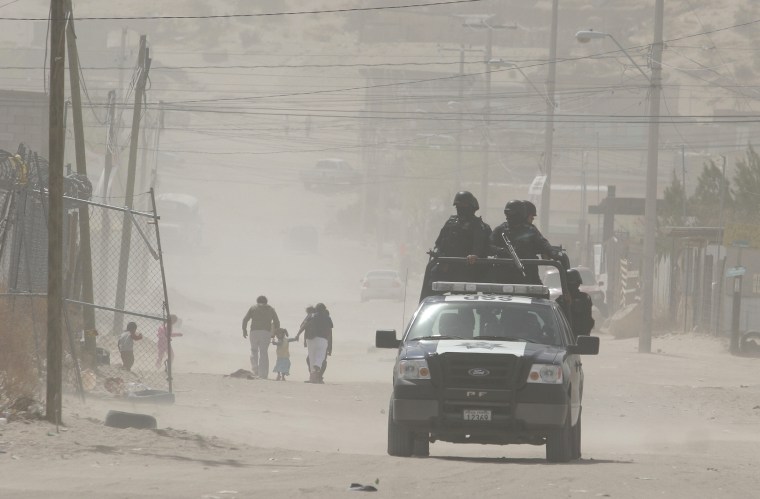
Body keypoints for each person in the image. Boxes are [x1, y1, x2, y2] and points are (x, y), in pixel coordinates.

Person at [420, 191, 492, 301]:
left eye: (463, 205)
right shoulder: (451, 222)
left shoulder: (479, 226)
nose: (460, 208)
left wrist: (474, 256)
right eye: (458, 206)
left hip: (466, 270)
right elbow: (440, 242)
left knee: (464, 301)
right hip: (446, 267)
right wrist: (439, 255)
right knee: (431, 288)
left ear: (472, 206)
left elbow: (481, 248)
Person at [490, 200, 557, 285]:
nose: (508, 217)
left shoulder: (530, 230)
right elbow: (489, 246)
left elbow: (543, 244)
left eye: (512, 214)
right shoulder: (501, 230)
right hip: (504, 277)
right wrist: (502, 251)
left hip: (527, 276)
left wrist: (553, 252)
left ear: (519, 214)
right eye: (507, 214)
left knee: (543, 294)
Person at [242, 295, 280, 379]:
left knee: (253, 350)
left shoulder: (253, 308)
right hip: (266, 333)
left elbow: (245, 319)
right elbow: (277, 322)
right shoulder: (271, 309)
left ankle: (255, 371)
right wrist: (275, 333)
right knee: (263, 353)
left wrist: (244, 330)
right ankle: (263, 375)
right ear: (266, 302)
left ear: (257, 301)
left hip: (254, 332)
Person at [556, 269, 595, 337]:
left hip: (581, 336)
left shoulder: (585, 298)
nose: (572, 287)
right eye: (570, 284)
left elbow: (582, 310)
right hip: (565, 336)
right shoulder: (560, 300)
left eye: (574, 284)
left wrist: (570, 302)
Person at [301, 302, 332, 383]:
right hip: (321, 340)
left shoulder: (315, 316)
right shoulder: (316, 316)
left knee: (319, 360)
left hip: (319, 340)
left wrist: (329, 346)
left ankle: (319, 378)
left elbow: (303, 326)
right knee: (316, 360)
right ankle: (314, 378)